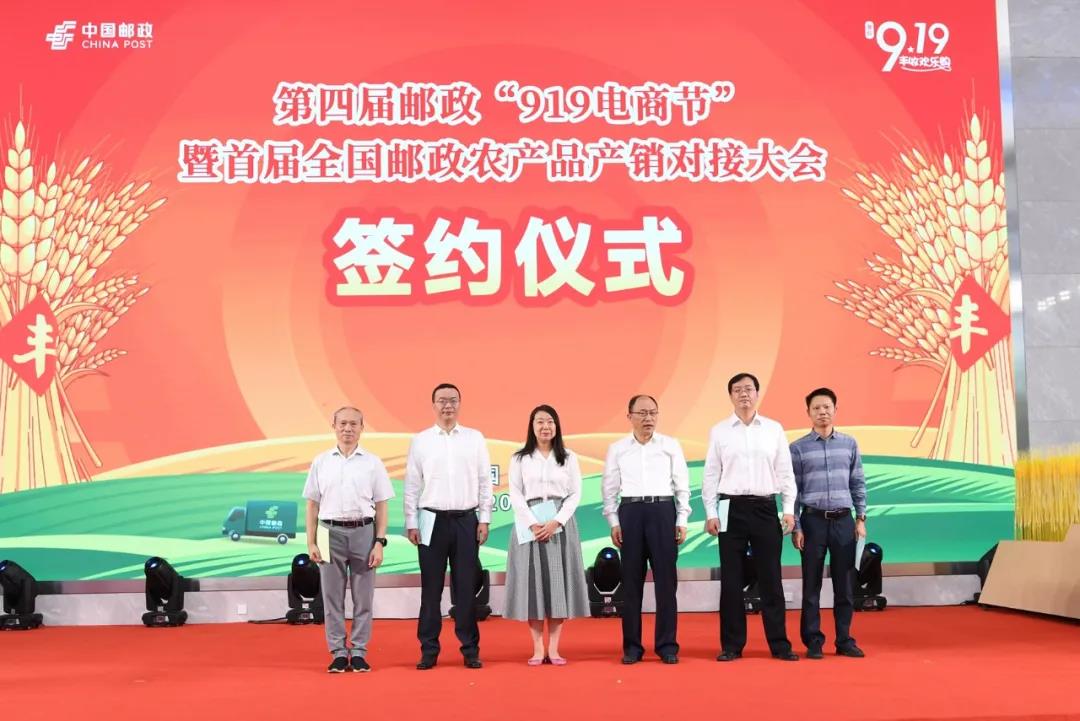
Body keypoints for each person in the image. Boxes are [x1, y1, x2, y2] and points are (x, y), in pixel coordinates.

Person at [702, 372, 799, 662]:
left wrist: (789, 509)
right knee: (731, 579)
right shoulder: (719, 431)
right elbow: (711, 474)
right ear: (730, 396)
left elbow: (785, 472)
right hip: (728, 506)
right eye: (737, 390)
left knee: (771, 578)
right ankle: (732, 645)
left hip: (765, 506)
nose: (743, 394)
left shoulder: (773, 429)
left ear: (757, 393)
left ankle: (780, 645)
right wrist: (710, 512)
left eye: (748, 389)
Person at [404, 383, 493, 670]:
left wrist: (484, 518)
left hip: (466, 519)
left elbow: (484, 481)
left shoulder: (474, 438)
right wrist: (411, 521)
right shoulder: (421, 441)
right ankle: (429, 650)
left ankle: (470, 649)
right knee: (431, 590)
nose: (447, 405)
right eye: (442, 401)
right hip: (430, 519)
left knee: (466, 589)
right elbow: (412, 484)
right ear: (433, 405)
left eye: (453, 400)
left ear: (460, 404)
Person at [303, 406, 394, 673]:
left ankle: (359, 651)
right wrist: (311, 542)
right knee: (332, 598)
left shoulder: (373, 462)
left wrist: (379, 541)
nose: (348, 429)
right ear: (334, 426)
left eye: (354, 424)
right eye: (342, 423)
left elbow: (382, 505)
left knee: (363, 597)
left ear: (362, 428)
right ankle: (338, 653)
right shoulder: (321, 461)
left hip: (364, 531)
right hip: (327, 532)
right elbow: (312, 504)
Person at [601, 394, 690, 665]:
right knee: (631, 584)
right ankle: (632, 647)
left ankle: (667, 646)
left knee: (666, 584)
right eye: (642, 413)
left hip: (663, 512)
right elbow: (609, 490)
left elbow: (682, 486)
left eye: (652, 412)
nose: (648, 418)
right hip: (631, 513)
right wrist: (614, 522)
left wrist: (682, 520)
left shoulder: (670, 445)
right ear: (629, 416)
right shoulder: (618, 449)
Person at [503, 405, 589, 665]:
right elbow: (515, 494)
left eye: (550, 421)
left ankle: (554, 649)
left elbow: (575, 494)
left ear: (557, 426)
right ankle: (537, 648)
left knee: (557, 587)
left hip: (559, 524)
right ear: (532, 426)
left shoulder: (568, 457)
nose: (545, 427)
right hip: (528, 523)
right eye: (540, 422)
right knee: (533, 587)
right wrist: (532, 524)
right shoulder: (519, 458)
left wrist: (556, 521)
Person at [790, 387, 868, 659]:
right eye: (816, 408)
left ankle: (844, 640)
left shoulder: (849, 444)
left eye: (826, 407)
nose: (822, 412)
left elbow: (857, 482)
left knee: (844, 585)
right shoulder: (797, 448)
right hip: (812, 522)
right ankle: (813, 641)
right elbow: (793, 492)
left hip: (844, 521)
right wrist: (797, 527)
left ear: (835, 409)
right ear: (808, 412)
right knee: (811, 585)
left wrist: (860, 518)